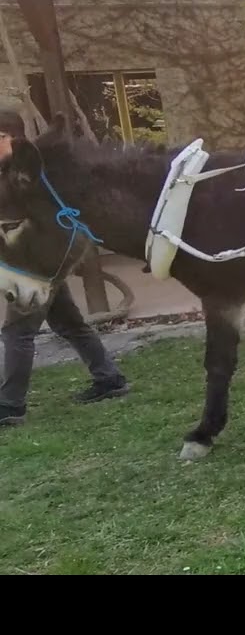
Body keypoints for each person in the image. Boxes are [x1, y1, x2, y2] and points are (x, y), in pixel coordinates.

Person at [0, 109, 130, 428]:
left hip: (40, 257)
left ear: (10, 138)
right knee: (68, 322)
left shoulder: (25, 164)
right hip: (42, 254)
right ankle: (109, 379)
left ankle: (10, 405)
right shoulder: (12, 166)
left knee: (17, 330)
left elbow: (20, 187)